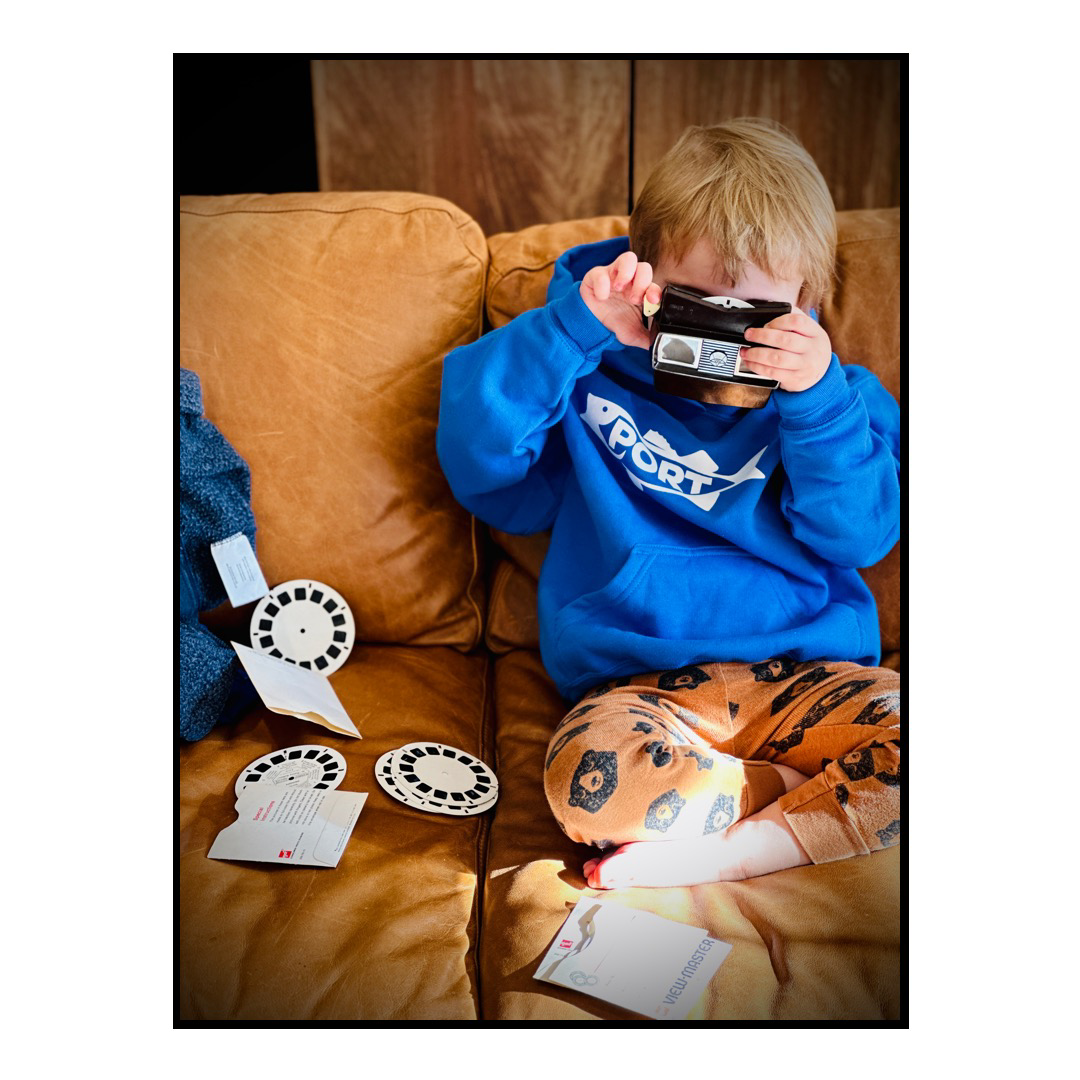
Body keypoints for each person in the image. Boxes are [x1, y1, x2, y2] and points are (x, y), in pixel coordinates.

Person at [436, 118, 900, 888]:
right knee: (586, 784)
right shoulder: (583, 371)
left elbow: (859, 537)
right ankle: (794, 807)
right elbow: (485, 477)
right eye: (693, 305)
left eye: (752, 313)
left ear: (807, 298)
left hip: (805, 675)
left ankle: (743, 847)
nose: (721, 337)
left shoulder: (841, 402)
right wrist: (569, 332)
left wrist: (813, 402)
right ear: (646, 277)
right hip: (638, 689)